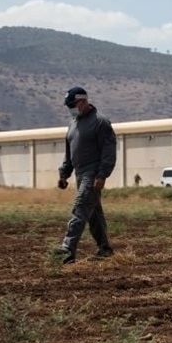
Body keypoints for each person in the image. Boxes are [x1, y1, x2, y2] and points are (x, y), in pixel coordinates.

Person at [53, 87, 117, 264]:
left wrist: (102, 175)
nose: (71, 109)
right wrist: (64, 174)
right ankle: (104, 248)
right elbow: (70, 153)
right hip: (80, 174)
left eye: (73, 105)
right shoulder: (73, 124)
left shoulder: (101, 122)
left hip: (93, 174)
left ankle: (67, 250)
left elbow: (109, 151)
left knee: (81, 208)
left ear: (83, 101)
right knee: (94, 214)